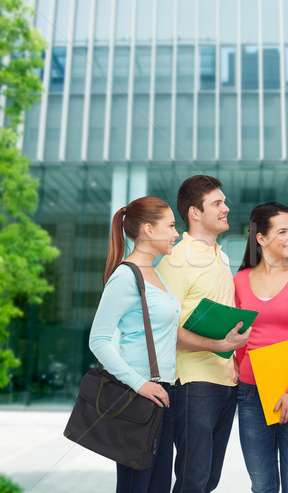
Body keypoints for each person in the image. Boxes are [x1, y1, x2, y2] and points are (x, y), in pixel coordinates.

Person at [156, 175, 251, 493]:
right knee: (192, 479)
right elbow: (164, 329)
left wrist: (232, 355)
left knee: (208, 479)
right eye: (217, 203)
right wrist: (219, 344)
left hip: (226, 382)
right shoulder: (175, 261)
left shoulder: (221, 257)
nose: (226, 208)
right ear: (195, 212)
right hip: (193, 384)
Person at [89, 196, 181, 493]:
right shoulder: (125, 276)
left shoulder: (155, 273)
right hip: (138, 396)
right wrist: (140, 384)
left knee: (157, 487)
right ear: (149, 230)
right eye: (170, 226)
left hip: (162, 394)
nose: (176, 233)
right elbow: (98, 340)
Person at [234, 202, 288, 493]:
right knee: (262, 485)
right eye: (282, 231)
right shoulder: (240, 281)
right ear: (261, 238)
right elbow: (236, 337)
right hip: (251, 392)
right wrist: (235, 365)